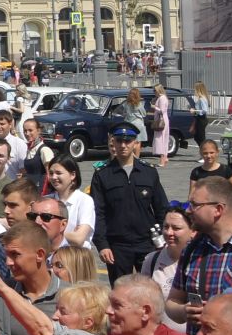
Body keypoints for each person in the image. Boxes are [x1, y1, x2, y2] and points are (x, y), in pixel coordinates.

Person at [168, 175, 232, 331]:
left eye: (194, 205)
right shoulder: (192, 249)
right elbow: (173, 301)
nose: (188, 211)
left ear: (218, 209)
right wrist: (184, 311)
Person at [90, 125, 167, 277]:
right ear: (113, 141)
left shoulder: (148, 172)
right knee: (120, 293)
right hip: (117, 245)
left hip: (147, 243)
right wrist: (102, 245)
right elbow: (97, 213)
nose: (123, 145)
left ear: (135, 143)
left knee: (149, 291)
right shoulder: (103, 175)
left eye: (128, 141)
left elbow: (162, 208)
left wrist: (162, 239)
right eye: (119, 141)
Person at [143, 205, 197, 296]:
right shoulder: (151, 260)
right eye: (166, 227)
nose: (169, 233)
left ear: (193, 231)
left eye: (176, 228)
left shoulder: (202, 260)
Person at [47, 157, 95, 249]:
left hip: (76, 258)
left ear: (72, 175)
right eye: (51, 173)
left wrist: (49, 232)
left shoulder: (84, 200)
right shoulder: (46, 201)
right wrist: (70, 234)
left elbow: (79, 239)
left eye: (58, 173)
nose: (53, 177)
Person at [148, 84, 173, 166]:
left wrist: (154, 107)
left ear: (158, 90)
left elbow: (161, 110)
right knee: (164, 139)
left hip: (161, 120)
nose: (154, 92)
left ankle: (162, 160)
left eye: (155, 90)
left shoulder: (161, 98)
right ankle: (165, 157)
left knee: (161, 139)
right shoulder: (163, 98)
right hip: (163, 119)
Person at [190, 81, 213, 150]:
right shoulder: (201, 98)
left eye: (195, 88)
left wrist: (195, 111)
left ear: (198, 89)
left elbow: (204, 110)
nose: (194, 90)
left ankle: (205, 153)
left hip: (201, 119)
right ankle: (203, 153)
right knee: (197, 137)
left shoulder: (202, 98)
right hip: (199, 118)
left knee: (200, 137)